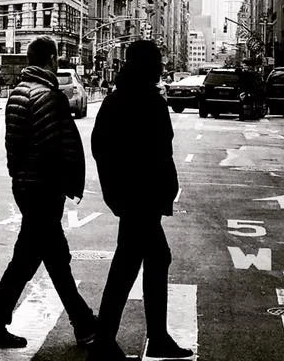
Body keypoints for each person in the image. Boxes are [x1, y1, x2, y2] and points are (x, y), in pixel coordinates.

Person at [0, 36, 96, 350]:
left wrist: (20, 175)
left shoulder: (16, 93)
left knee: (47, 257)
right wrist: (66, 184)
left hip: (25, 185)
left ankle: (82, 321)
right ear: (52, 59)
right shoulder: (50, 96)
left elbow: (12, 146)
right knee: (34, 259)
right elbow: (54, 148)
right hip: (44, 188)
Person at [87, 40, 191, 361]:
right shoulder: (149, 101)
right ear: (148, 65)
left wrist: (113, 191)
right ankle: (117, 340)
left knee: (141, 261)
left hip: (131, 198)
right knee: (139, 263)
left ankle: (136, 337)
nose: (161, 66)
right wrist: (163, 188)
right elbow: (161, 153)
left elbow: (100, 148)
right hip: (143, 199)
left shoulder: (115, 100)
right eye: (157, 60)